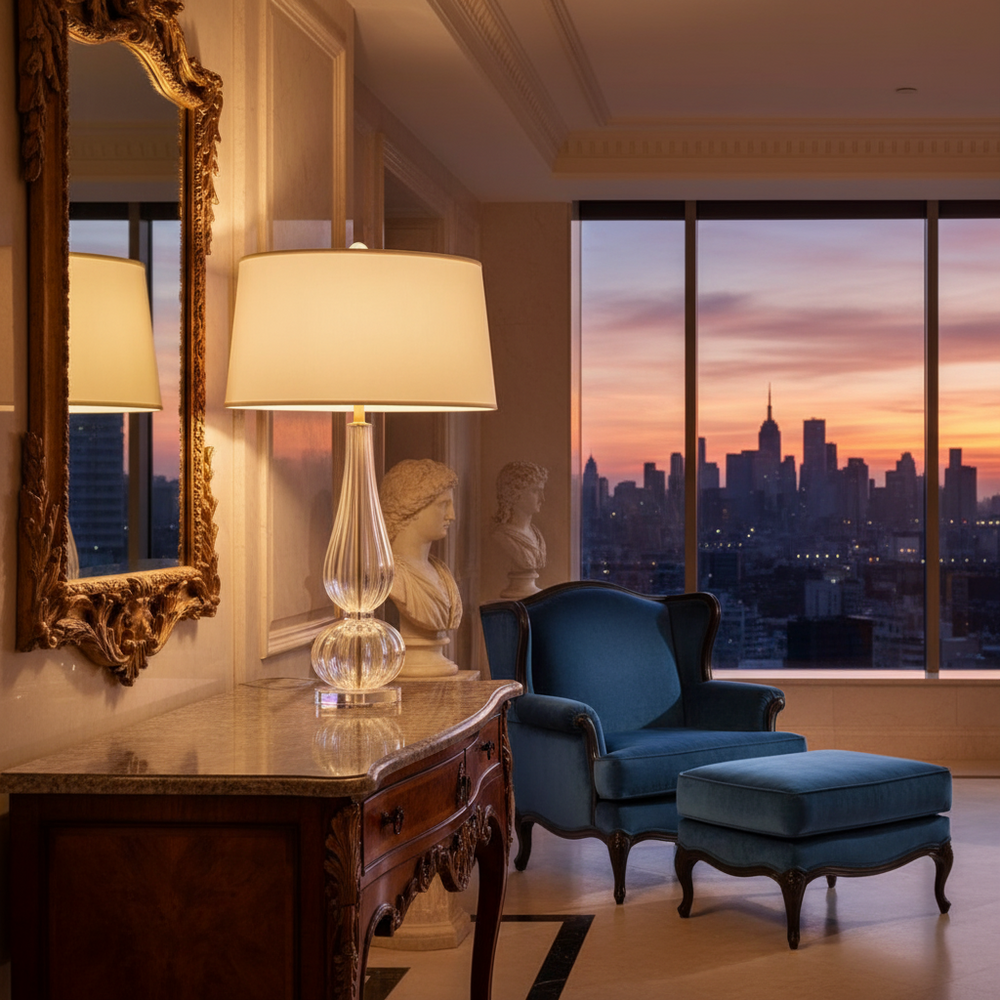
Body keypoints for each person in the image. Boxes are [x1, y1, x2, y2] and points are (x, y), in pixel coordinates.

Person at [379, 459, 462, 676]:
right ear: (413, 506)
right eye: (443, 504)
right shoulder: (390, 574)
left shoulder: (441, 572)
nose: (451, 515)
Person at [491, 461, 548, 598]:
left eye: (542, 491)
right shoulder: (502, 536)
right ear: (514, 494)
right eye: (535, 491)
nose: (542, 499)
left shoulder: (536, 535)